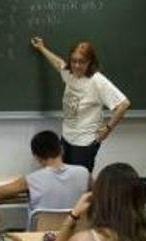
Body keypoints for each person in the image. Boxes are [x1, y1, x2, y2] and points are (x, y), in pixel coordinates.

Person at [30, 38, 130, 172]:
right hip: (66, 139)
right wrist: (42, 48)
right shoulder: (69, 73)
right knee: (62, 177)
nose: (76, 65)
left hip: (85, 143)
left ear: (90, 62)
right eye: (74, 61)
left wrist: (107, 128)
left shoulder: (97, 81)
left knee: (80, 185)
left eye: (81, 62)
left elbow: (124, 104)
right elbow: (58, 63)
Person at [0, 130, 90, 211]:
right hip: (76, 231)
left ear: (36, 157)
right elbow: (99, 193)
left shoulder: (32, 180)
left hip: (43, 234)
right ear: (62, 150)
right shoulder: (83, 173)